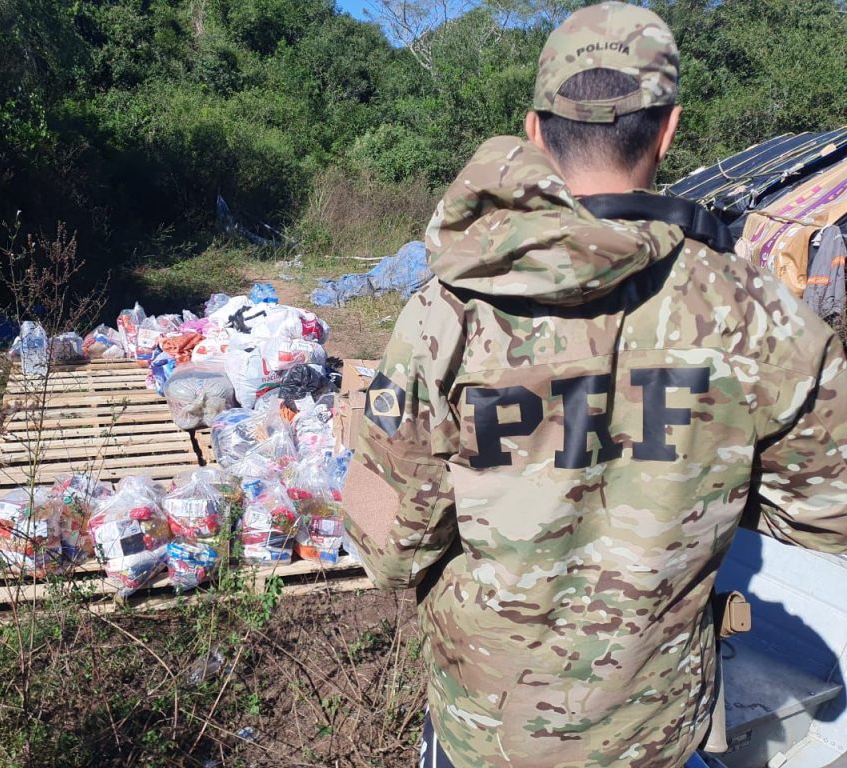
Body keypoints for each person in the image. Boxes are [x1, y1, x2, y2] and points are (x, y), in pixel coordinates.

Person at [341, 3, 847, 767]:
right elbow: (827, 517)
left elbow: (385, 549)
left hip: (488, 732)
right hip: (652, 733)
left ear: (536, 130)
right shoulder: (758, 316)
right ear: (669, 128)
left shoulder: (444, 315)